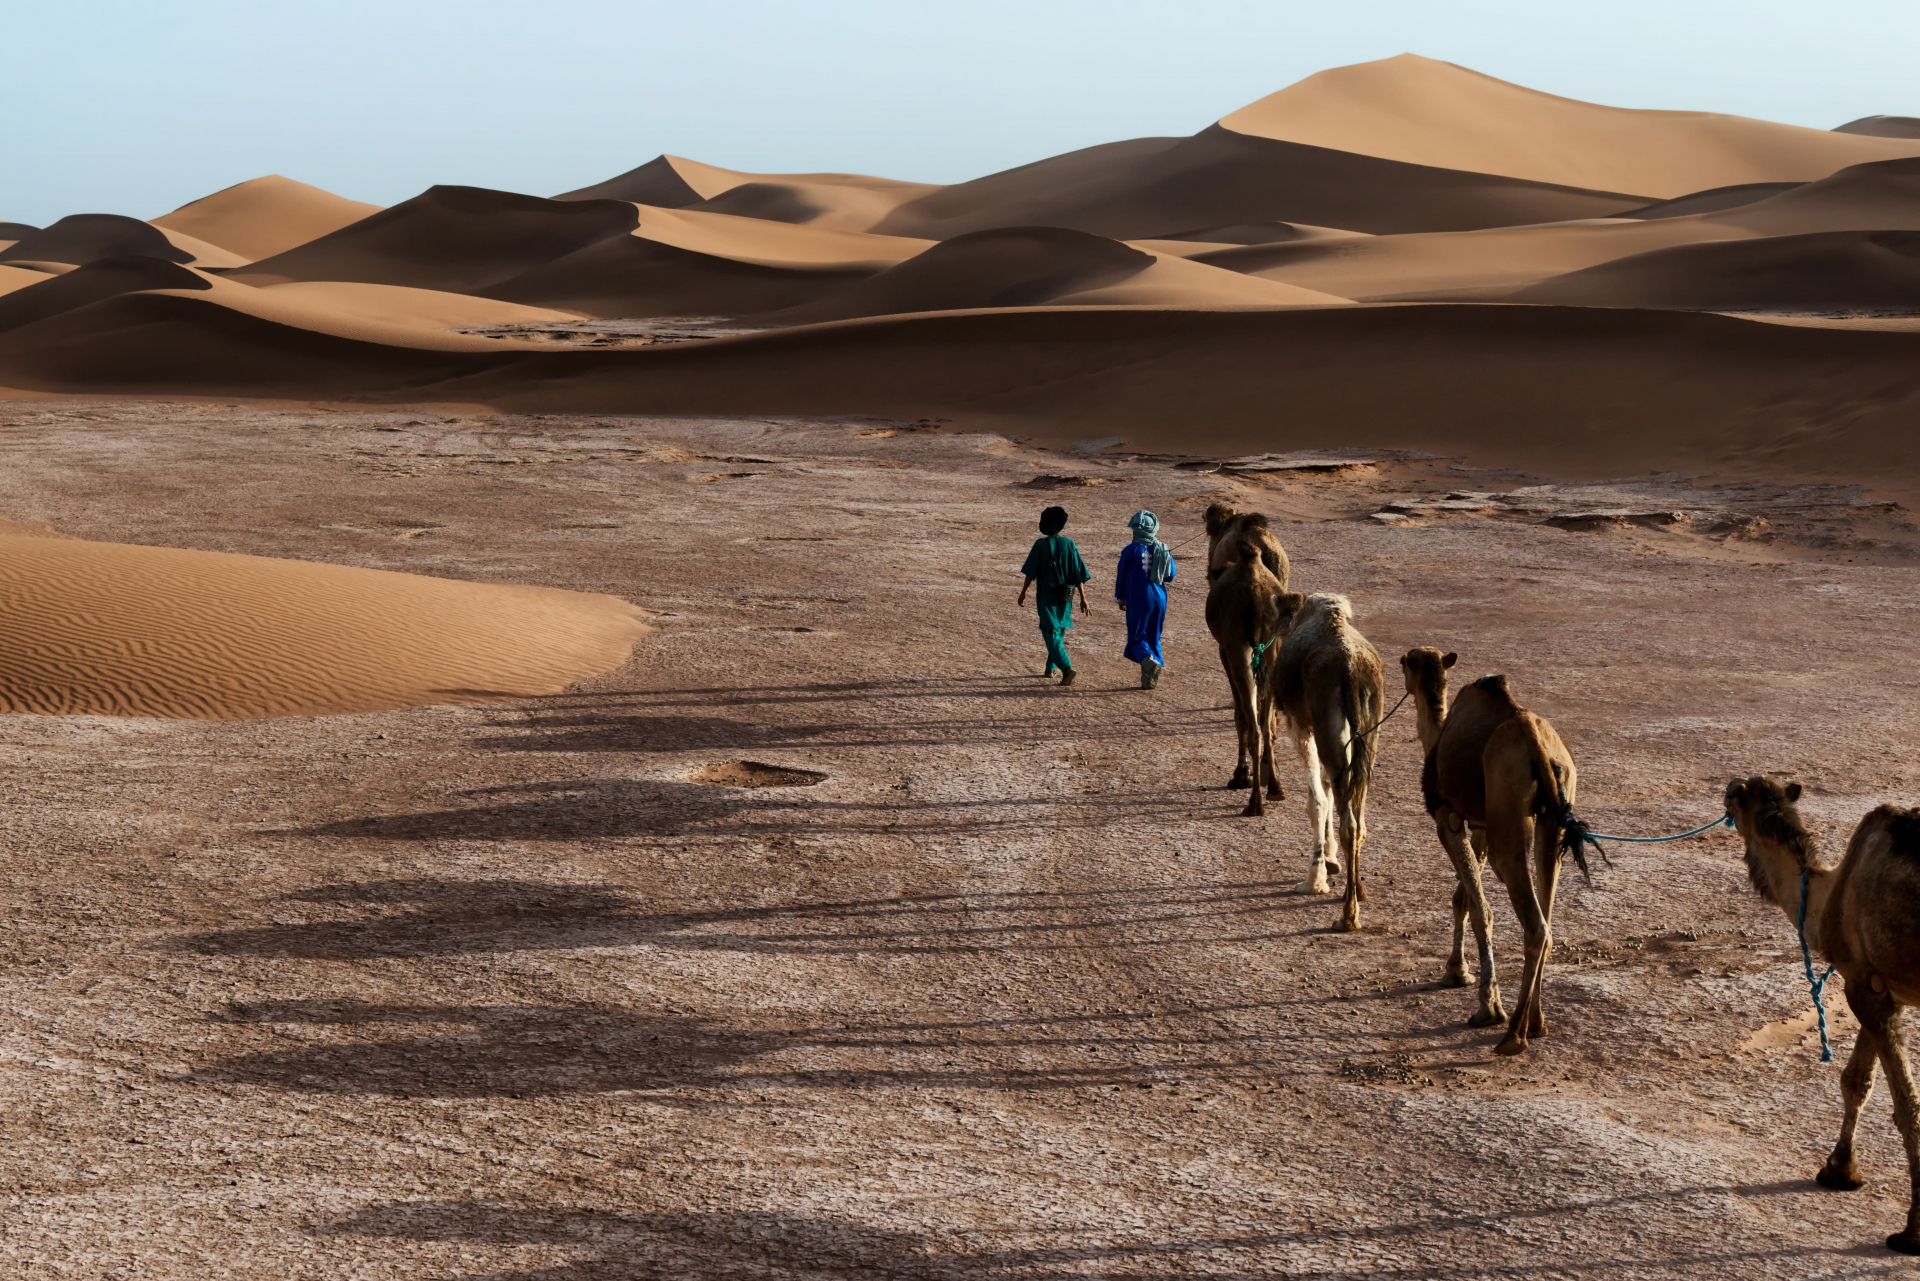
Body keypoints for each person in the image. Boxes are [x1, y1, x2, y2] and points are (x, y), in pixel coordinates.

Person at [1018, 505, 1090, 686]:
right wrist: (1083, 598)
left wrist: (1023, 592)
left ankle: (1067, 668)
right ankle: (1050, 668)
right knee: (1059, 631)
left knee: (1049, 631)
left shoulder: (1040, 545)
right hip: (1066, 596)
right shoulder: (1070, 544)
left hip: (1046, 597)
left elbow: (1030, 572)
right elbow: (1078, 573)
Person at [1115, 509, 1176, 688]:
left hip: (1139, 597)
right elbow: (1170, 576)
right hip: (1160, 598)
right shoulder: (1163, 548)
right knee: (1153, 637)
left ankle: (1150, 664)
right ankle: (1149, 680)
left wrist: (1121, 598)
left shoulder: (1130, 550)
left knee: (1136, 638)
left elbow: (1122, 577)